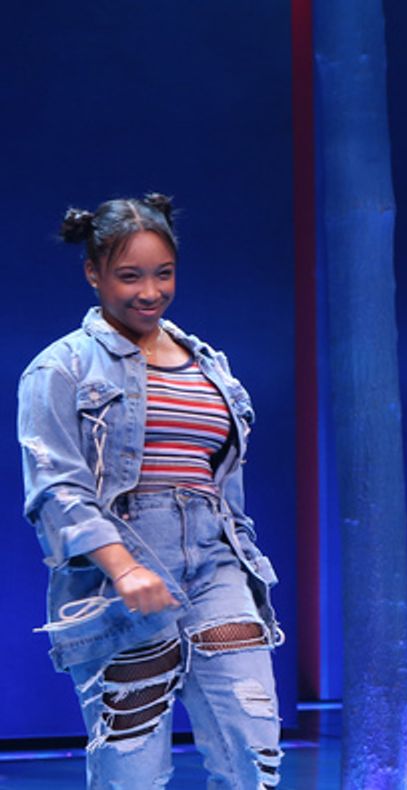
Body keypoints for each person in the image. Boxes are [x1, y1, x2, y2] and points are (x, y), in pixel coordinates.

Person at [18, 194, 283, 788]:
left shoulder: (209, 365)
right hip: (120, 576)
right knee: (132, 770)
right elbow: (55, 486)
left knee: (255, 755)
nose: (150, 292)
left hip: (216, 567)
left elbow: (221, 483)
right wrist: (123, 567)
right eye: (129, 276)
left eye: (163, 274)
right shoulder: (61, 367)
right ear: (93, 273)